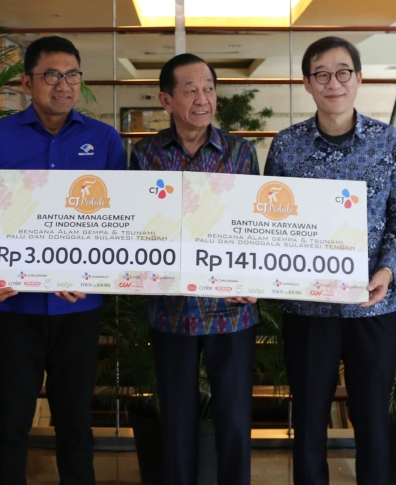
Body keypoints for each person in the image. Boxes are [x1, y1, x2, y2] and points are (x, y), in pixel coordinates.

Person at [0, 35, 126, 484]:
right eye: (51, 75)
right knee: (10, 424)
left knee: (75, 424)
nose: (63, 85)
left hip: (78, 307)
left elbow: (120, 221)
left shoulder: (104, 140)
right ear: (26, 81)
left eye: (72, 75)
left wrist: (95, 275)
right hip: (12, 307)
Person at [264, 36, 396, 484]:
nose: (333, 83)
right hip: (307, 308)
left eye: (342, 72)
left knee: (372, 417)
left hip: (373, 305)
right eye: (322, 74)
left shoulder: (387, 141)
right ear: (307, 83)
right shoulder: (287, 146)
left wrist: (386, 270)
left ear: (359, 78)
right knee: (309, 418)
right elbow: (268, 219)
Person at [129, 53, 260, 485]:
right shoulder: (145, 154)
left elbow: (255, 227)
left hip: (232, 310)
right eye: (190, 90)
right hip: (171, 310)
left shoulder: (240, 152)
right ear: (166, 100)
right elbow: (138, 229)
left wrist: (255, 279)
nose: (203, 99)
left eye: (209, 88)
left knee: (235, 420)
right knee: (177, 423)